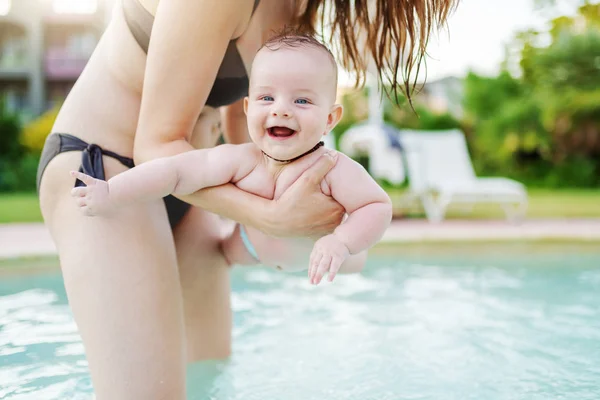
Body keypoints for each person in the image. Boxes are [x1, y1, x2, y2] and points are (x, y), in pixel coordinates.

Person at [36, 0, 459, 398]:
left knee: (210, 376)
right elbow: (158, 144)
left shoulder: (295, 7)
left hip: (197, 185)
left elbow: (241, 113)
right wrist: (274, 216)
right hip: (107, 172)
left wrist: (280, 210)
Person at [69, 33, 393, 285]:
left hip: (327, 255)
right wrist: (113, 192)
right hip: (251, 247)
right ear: (249, 108)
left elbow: (376, 206)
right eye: (267, 97)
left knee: (355, 257)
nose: (281, 109)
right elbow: (174, 172)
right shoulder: (240, 160)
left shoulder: (334, 170)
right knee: (222, 253)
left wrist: (342, 243)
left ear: (330, 118)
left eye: (302, 100)